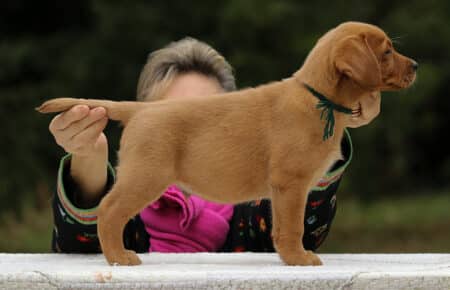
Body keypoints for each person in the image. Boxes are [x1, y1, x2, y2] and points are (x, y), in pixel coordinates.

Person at [49, 37, 380, 254]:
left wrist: (330, 119)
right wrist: (87, 158)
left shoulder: (253, 214)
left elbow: (307, 220)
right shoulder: (132, 219)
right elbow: (79, 247)